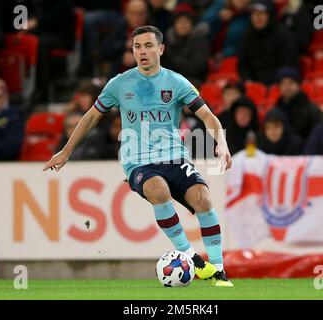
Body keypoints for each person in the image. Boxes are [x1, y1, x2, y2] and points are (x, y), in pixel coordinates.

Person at [43, 25, 234, 287]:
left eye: (148, 45)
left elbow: (208, 116)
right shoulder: (119, 84)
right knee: (158, 189)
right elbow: (91, 117)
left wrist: (221, 142)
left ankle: (219, 270)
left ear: (161, 49)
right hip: (139, 161)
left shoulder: (177, 83)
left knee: (202, 198)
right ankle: (193, 259)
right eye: (137, 47)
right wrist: (66, 150)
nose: (142, 51)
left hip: (174, 157)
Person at [237, 0, 299, 85]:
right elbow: (243, 66)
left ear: (270, 15)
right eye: (254, 14)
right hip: (254, 86)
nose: (258, 18)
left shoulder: (282, 35)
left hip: (278, 84)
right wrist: (248, 80)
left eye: (262, 13)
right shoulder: (247, 36)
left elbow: (288, 65)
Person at [162, 6, 209, 86]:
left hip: (192, 81)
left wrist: (173, 60)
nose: (183, 25)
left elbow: (197, 67)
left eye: (186, 21)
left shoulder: (199, 41)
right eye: (179, 22)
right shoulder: (169, 40)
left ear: (192, 24)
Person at [274, 67, 322, 141]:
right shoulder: (276, 109)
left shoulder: (311, 109)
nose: (287, 87)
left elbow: (318, 134)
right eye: (283, 83)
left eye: (290, 83)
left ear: (298, 85)